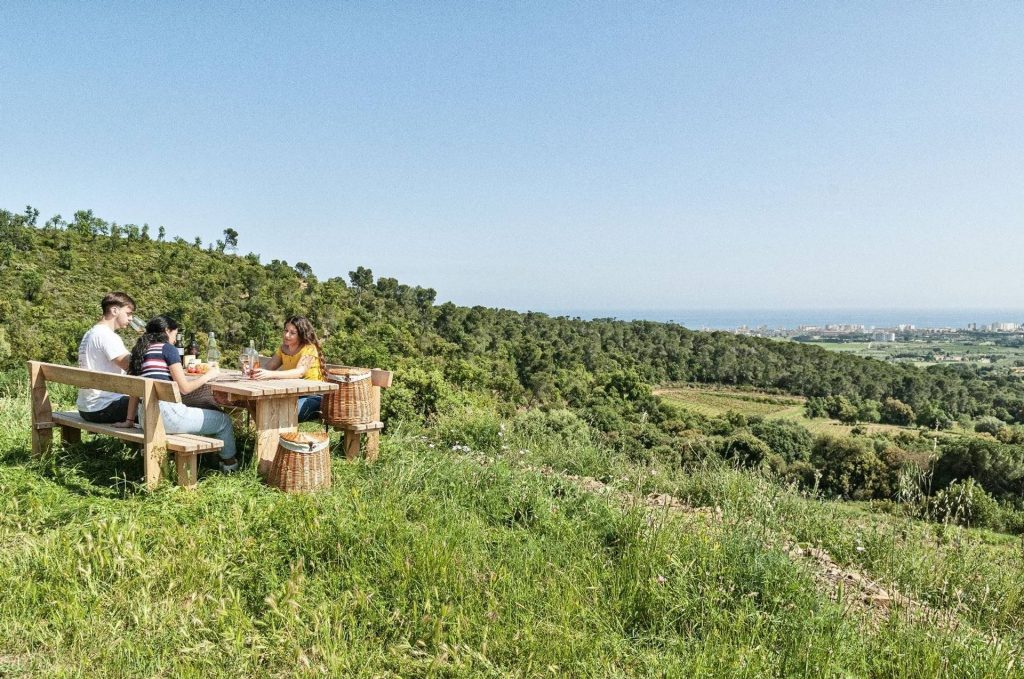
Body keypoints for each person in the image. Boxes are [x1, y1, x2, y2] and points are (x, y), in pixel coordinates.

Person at [118, 316, 239, 472]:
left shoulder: (139, 350)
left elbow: (134, 392)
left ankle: (212, 459)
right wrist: (210, 375)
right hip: (168, 418)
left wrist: (129, 420)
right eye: (174, 335)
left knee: (202, 408)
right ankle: (230, 466)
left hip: (145, 418)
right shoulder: (167, 349)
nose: (174, 340)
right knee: (224, 421)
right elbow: (185, 389)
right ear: (167, 331)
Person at [250, 315, 327, 422]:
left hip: (313, 396)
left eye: (292, 333)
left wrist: (270, 374)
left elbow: (299, 372)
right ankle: (269, 437)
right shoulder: (283, 349)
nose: (287, 335)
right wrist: (254, 371)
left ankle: (280, 437)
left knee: (284, 412)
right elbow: (268, 367)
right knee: (256, 404)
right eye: (286, 330)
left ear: (301, 335)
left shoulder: (309, 348)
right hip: (292, 394)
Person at [77, 291, 136, 423]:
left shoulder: (91, 333)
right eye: (128, 313)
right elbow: (132, 366)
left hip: (86, 407)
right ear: (114, 310)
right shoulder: (106, 335)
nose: (131, 318)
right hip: (104, 406)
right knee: (158, 407)